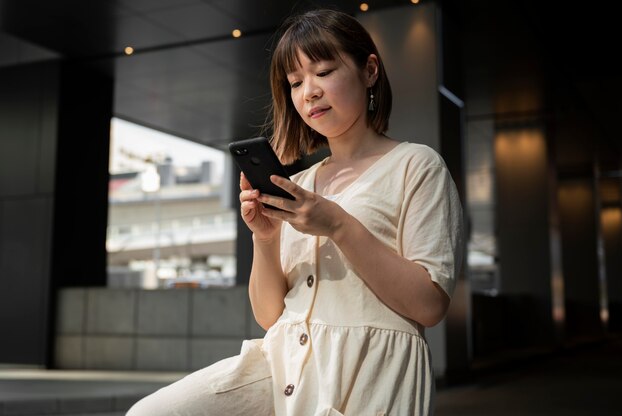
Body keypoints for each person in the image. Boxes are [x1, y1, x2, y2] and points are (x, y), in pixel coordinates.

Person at [127, 8, 463, 416]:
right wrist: (265, 238)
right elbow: (270, 315)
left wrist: (338, 225)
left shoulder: (416, 165)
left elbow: (430, 305)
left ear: (370, 70)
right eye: (296, 81)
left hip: (366, 372)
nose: (309, 92)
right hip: (282, 363)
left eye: (323, 71)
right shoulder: (299, 184)